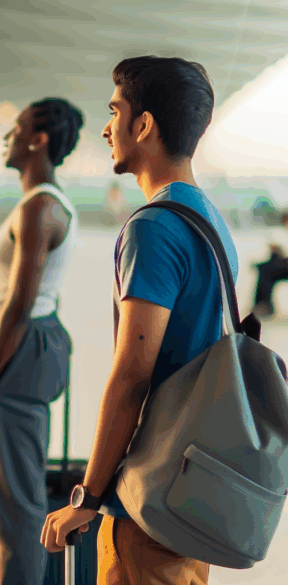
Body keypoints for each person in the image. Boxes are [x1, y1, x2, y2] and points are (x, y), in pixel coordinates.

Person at [41, 56, 228, 585]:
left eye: (115, 111)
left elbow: (133, 375)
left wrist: (88, 496)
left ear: (143, 125)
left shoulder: (153, 229)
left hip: (148, 497)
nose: (105, 128)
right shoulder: (210, 222)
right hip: (195, 492)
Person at [0, 97, 83, 585]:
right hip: (24, 339)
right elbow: (21, 287)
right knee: (0, 490)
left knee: (14, 498)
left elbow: (23, 301)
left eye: (17, 127)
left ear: (38, 140)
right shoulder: (44, 203)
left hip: (14, 344)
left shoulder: (40, 207)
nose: (8, 137)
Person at [251, 211, 288, 318]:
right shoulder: (281, 234)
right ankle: (264, 305)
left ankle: (264, 305)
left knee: (265, 270)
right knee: (266, 267)